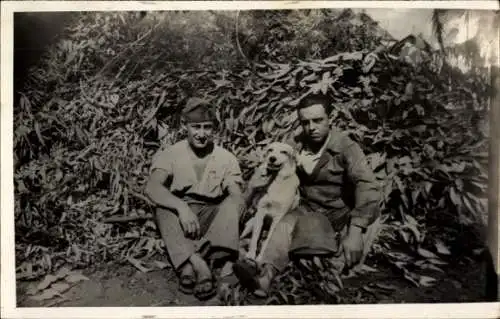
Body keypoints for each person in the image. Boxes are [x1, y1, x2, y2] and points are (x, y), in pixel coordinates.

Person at [233, 93, 382, 297]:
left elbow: (367, 185)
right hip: (305, 207)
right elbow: (275, 158)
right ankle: (264, 276)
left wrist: (355, 231)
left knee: (346, 244)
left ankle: (327, 278)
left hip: (336, 212)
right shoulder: (297, 142)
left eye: (318, 120)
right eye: (305, 122)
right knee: (283, 226)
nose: (311, 127)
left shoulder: (346, 147)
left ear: (331, 118)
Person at [145, 97, 244, 300]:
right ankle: (201, 265)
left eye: (207, 127)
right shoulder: (171, 154)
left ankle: (189, 265)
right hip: (182, 219)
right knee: (163, 208)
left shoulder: (225, 158)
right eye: (195, 127)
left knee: (234, 203)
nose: (201, 134)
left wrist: (234, 204)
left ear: (214, 128)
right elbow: (152, 187)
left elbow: (235, 195)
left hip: (211, 217)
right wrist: (181, 207)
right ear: (184, 126)